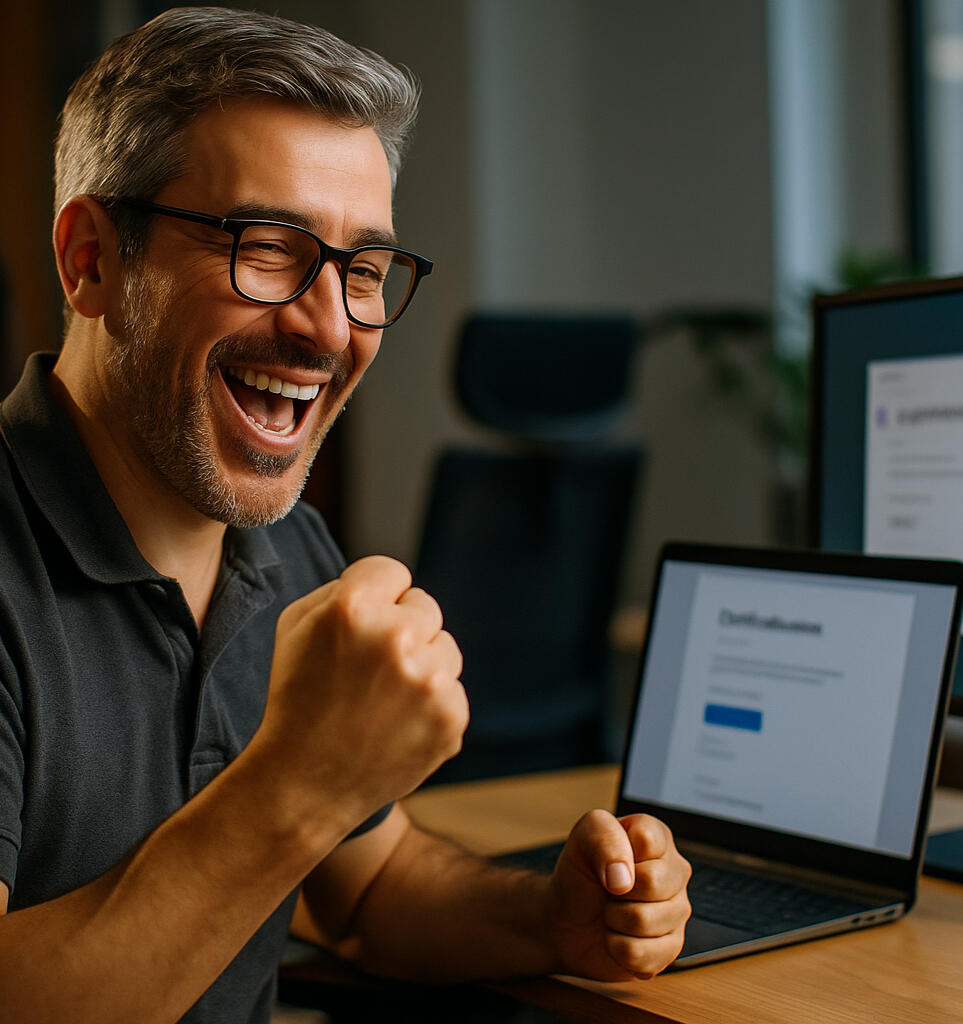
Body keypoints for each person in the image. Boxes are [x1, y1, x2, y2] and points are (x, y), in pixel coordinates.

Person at [0, 7, 691, 1021]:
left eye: (363, 271)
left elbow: (368, 888)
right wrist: (298, 783)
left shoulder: (288, 550)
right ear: (93, 261)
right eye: (268, 247)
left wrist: (550, 917)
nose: (330, 327)